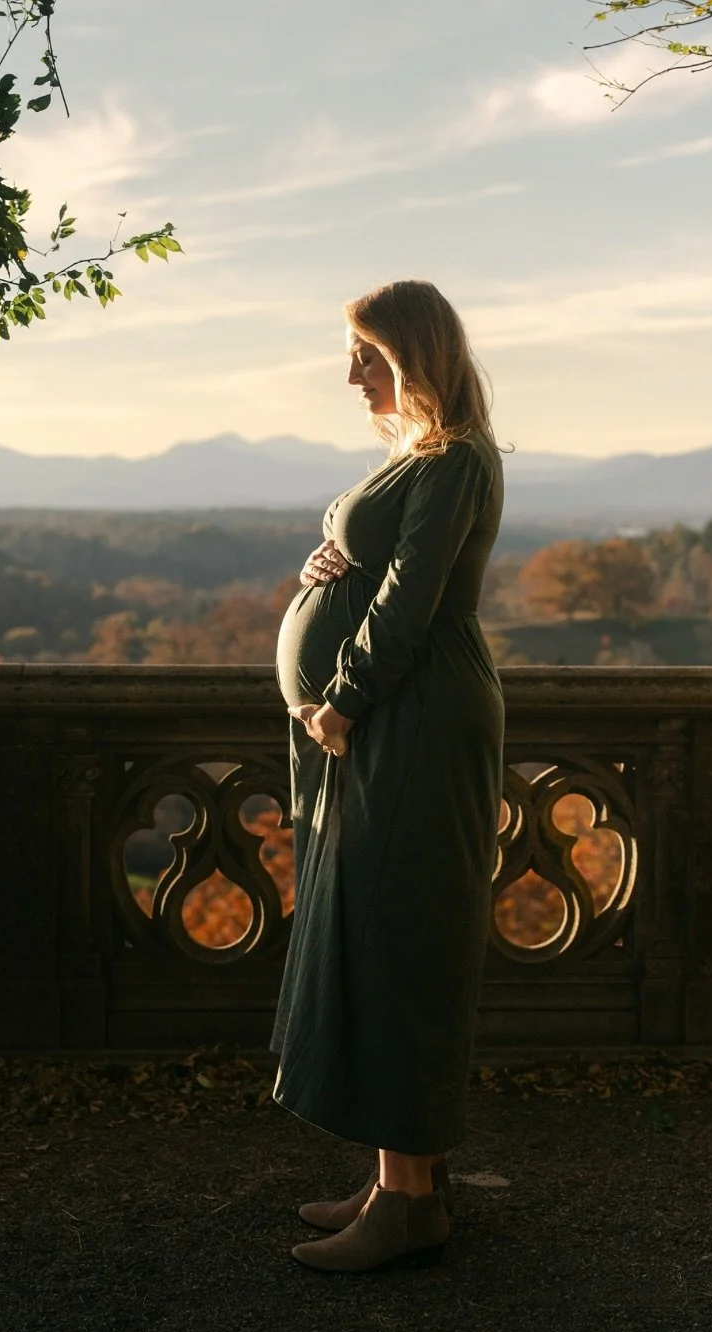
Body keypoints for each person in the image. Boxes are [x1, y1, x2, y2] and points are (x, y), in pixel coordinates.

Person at [272, 278, 505, 1274]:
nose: (352, 373)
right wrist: (329, 561)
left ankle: (411, 1205)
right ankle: (397, 1182)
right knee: (374, 937)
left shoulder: (454, 461)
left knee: (401, 941)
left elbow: (410, 601)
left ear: (416, 356)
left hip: (405, 718)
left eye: (369, 355)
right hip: (380, 722)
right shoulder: (420, 460)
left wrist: (343, 698)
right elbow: (378, 567)